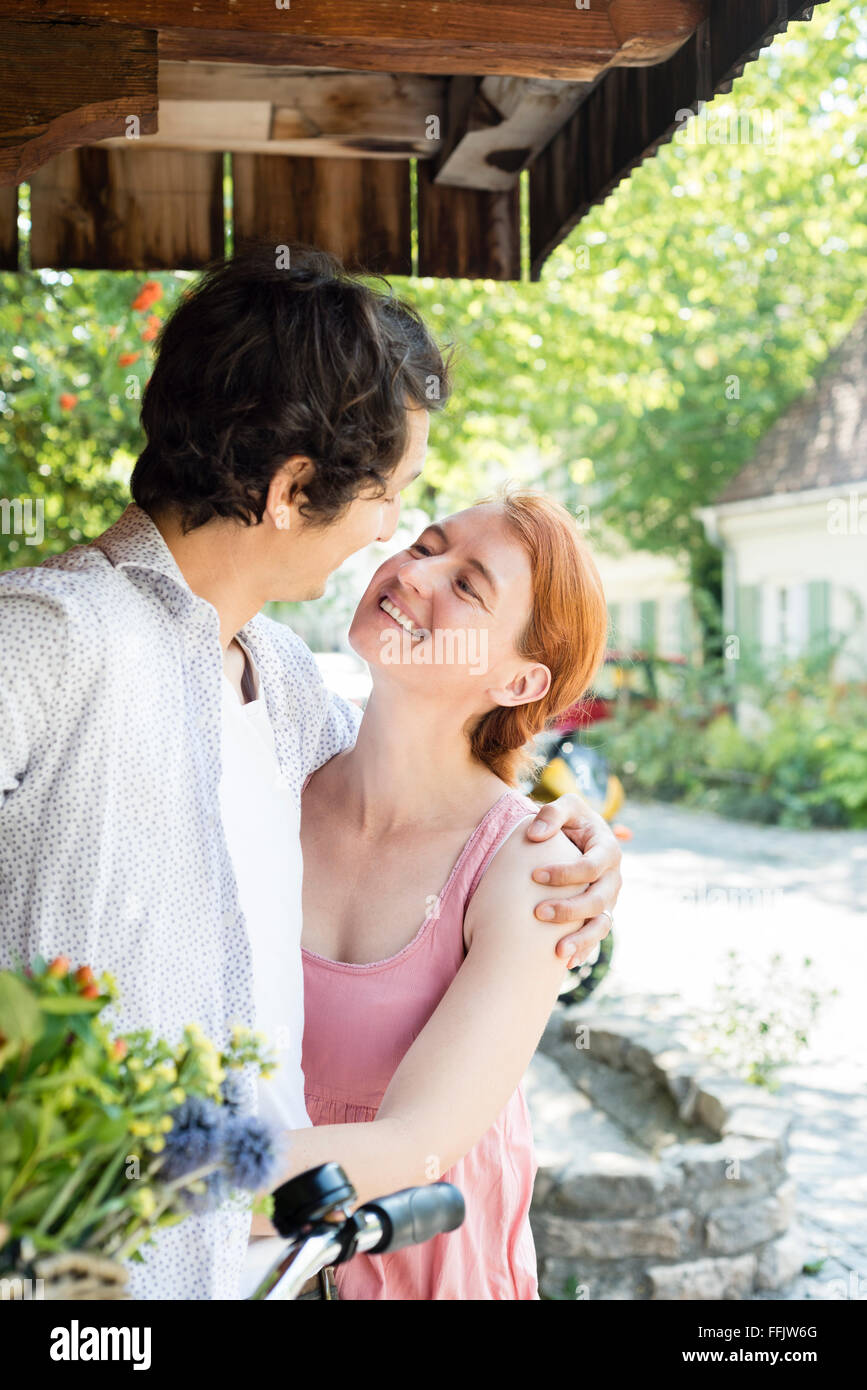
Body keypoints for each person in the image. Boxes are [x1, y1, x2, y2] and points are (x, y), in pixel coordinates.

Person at [0, 245, 623, 1301]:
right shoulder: (57, 635)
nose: (389, 538)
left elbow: (432, 779)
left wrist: (581, 846)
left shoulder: (275, 682)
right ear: (294, 491)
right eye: (395, 502)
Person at [247, 488, 607, 1299]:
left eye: (468, 584)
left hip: (423, 1265)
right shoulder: (267, 785)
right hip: (248, 1268)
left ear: (519, 681)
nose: (417, 571)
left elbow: (417, 1144)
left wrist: (120, 1186)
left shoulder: (527, 863)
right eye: (424, 544)